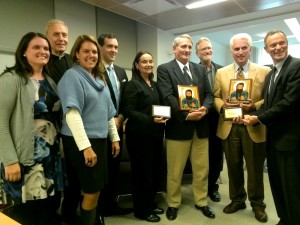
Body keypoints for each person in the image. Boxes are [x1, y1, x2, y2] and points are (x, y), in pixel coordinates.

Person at [0, 32, 63, 225]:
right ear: (24, 52)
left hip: (51, 159)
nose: (43, 51)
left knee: (50, 211)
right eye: (36, 47)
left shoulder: (51, 81)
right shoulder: (11, 79)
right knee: (26, 215)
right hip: (24, 159)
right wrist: (10, 160)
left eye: (45, 48)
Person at [57, 35, 120, 225]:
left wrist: (114, 138)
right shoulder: (72, 76)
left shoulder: (99, 79)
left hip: (99, 140)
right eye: (85, 51)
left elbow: (108, 113)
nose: (91, 55)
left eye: (94, 52)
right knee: (92, 191)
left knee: (86, 188)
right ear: (76, 54)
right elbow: (72, 114)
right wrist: (85, 147)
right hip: (80, 141)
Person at [243, 30, 300, 225]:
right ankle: (285, 218)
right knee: (277, 185)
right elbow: (268, 105)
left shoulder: (297, 66)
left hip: (290, 141)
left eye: (281, 43)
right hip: (273, 140)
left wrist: (258, 119)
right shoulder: (272, 73)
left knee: (292, 187)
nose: (278, 47)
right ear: (266, 49)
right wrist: (253, 115)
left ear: (287, 43)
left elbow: (289, 102)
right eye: (273, 45)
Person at [157, 34, 215, 221]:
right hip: (179, 128)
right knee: (175, 170)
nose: (187, 50)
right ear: (174, 49)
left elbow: (209, 94)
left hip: (201, 128)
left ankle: (201, 201)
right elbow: (167, 96)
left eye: (189, 47)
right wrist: (186, 115)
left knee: (201, 169)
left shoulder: (199, 69)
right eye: (183, 47)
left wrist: (205, 108)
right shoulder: (165, 69)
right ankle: (173, 203)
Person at [214, 33, 271, 223]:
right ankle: (237, 199)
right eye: (236, 49)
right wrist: (223, 105)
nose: (240, 52)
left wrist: (253, 106)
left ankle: (257, 204)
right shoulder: (221, 72)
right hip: (229, 127)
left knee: (254, 169)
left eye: (244, 48)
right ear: (231, 51)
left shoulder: (264, 71)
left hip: (252, 126)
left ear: (250, 49)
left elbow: (270, 98)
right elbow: (215, 96)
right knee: (233, 166)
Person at [121, 51, 167, 223]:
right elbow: (128, 111)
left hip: (155, 135)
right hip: (139, 136)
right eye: (144, 61)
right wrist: (150, 119)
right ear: (136, 65)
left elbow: (159, 107)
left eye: (150, 61)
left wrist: (165, 116)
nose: (148, 64)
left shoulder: (154, 85)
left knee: (154, 171)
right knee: (142, 174)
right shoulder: (133, 85)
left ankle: (151, 203)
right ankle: (141, 210)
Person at [45, 19, 78, 225]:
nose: (61, 39)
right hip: (47, 131)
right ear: (47, 36)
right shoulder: (42, 61)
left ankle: (69, 214)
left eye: (65, 35)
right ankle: (50, 215)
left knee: (72, 177)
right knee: (52, 178)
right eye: (56, 34)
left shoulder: (73, 64)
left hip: (70, 130)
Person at [97, 34, 131, 221]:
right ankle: (99, 208)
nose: (114, 50)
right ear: (101, 48)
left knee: (114, 168)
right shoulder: (94, 70)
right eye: (110, 46)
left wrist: (121, 117)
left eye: (116, 47)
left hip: (118, 127)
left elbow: (124, 100)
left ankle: (112, 203)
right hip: (100, 128)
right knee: (102, 170)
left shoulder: (120, 72)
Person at [195, 37, 223, 202]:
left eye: (209, 48)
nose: (207, 51)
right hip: (201, 117)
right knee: (200, 156)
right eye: (203, 49)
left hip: (218, 118)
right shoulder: (193, 70)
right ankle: (200, 187)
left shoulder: (222, 70)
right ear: (198, 53)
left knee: (216, 154)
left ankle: (213, 187)